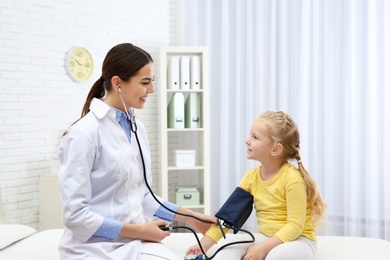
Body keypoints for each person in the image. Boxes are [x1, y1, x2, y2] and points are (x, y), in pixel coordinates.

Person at [57, 43, 215, 260]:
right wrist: (140, 231)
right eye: (145, 82)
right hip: (93, 248)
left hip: (133, 242)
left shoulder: (136, 128)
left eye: (152, 82)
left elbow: (143, 196)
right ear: (117, 83)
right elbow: (74, 216)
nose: (151, 89)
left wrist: (194, 218)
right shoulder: (83, 134)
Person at [186, 111, 327, 260]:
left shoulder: (292, 179)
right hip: (266, 237)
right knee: (228, 246)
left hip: (299, 240)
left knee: (275, 256)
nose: (247, 140)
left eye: (255, 137)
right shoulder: (251, 177)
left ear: (275, 149)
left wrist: (262, 249)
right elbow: (228, 218)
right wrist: (203, 246)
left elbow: (295, 226)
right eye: (250, 135)